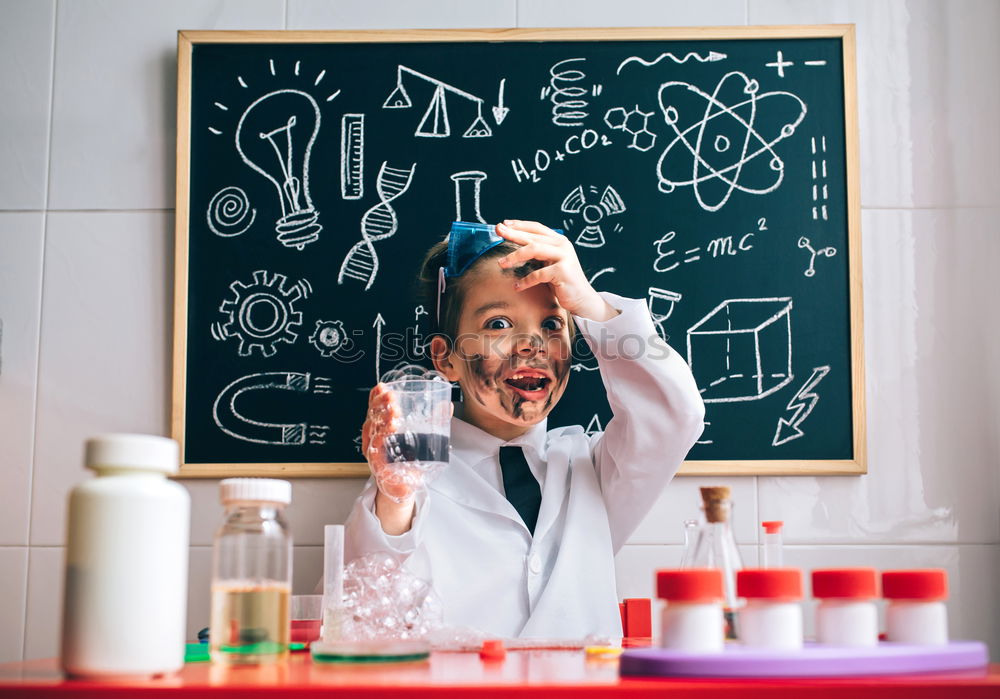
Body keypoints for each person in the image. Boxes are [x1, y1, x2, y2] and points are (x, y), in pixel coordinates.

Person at [344, 219, 705, 639]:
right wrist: (394, 497)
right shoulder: (409, 483)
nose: (531, 344)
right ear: (446, 360)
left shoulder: (593, 471)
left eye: (552, 325)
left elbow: (675, 414)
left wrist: (591, 305)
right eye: (498, 324)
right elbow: (364, 611)